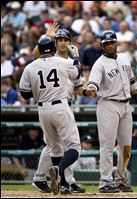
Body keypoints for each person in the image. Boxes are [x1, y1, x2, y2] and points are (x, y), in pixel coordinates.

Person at [18, 35, 85, 195]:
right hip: (60, 106)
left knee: (55, 149)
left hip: (42, 110)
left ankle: (61, 183)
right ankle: (59, 170)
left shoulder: (30, 67)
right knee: (74, 147)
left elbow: (25, 95)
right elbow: (77, 74)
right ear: (54, 49)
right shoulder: (64, 62)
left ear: (39, 50)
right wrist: (75, 57)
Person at [85, 30, 137, 193]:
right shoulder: (99, 64)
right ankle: (105, 182)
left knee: (126, 146)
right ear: (102, 45)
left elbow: (132, 85)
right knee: (107, 146)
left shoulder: (125, 60)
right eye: (106, 44)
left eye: (112, 42)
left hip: (126, 105)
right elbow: (93, 84)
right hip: (108, 105)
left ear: (116, 43)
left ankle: (120, 179)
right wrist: (91, 89)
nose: (109, 46)